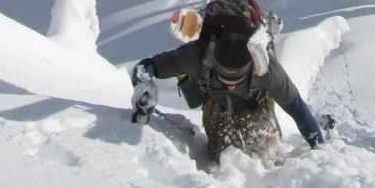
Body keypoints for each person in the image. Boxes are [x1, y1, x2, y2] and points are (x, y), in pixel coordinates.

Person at [131, 29, 324, 162]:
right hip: (216, 103)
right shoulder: (195, 56)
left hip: (257, 102)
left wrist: (320, 147)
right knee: (222, 155)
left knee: (264, 154)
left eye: (236, 81)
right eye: (225, 80)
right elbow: (144, 67)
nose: (231, 87)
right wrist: (144, 90)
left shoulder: (265, 66)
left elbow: (296, 106)